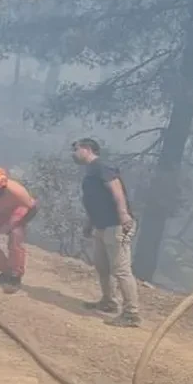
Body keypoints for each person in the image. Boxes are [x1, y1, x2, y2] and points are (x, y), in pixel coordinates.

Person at [72, 138, 141, 328]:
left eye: (76, 149)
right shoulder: (91, 170)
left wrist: (123, 214)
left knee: (121, 269)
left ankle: (131, 313)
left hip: (116, 225)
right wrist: (89, 223)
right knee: (103, 267)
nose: (73, 153)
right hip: (101, 226)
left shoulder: (101, 166)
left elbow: (116, 189)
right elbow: (95, 201)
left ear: (87, 149)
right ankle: (108, 301)